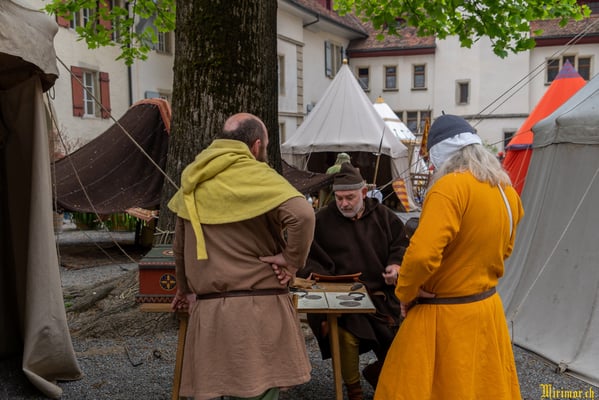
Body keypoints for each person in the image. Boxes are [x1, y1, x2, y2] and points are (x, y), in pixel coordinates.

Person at [375, 114, 524, 400]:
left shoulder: (449, 188)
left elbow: (422, 256)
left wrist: (406, 291)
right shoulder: (506, 191)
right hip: (486, 310)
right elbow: (506, 249)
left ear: (440, 156)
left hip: (442, 316)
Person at [168, 112, 316, 400]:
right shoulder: (260, 176)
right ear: (257, 146)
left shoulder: (194, 178)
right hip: (260, 314)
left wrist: (185, 289)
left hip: (210, 315)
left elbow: (180, 246)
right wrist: (291, 261)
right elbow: (303, 215)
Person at [297, 162, 410, 400]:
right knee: (346, 336)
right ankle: (353, 389)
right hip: (341, 299)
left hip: (380, 297)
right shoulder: (323, 220)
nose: (344, 204)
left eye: (350, 197)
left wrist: (395, 265)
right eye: (339, 198)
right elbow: (308, 258)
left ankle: (381, 374)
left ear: (364, 192)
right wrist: (322, 279)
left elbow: (401, 244)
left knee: (402, 341)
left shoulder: (384, 217)